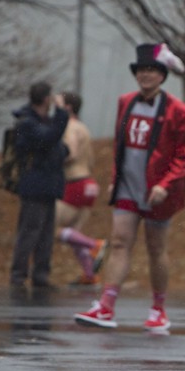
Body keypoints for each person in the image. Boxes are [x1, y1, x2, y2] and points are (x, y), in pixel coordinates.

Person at [74, 43, 185, 332]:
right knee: (119, 242)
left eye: (151, 70)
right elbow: (121, 144)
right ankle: (106, 306)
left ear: (162, 75)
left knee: (156, 248)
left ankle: (158, 309)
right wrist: (115, 178)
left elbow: (184, 154)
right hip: (128, 186)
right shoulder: (125, 102)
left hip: (158, 192)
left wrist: (165, 185)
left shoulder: (178, 110)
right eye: (141, 70)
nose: (145, 75)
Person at [9, 81, 69, 290]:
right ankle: (18, 275)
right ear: (46, 99)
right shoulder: (27, 123)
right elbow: (48, 138)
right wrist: (61, 112)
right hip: (35, 185)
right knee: (30, 231)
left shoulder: (44, 122)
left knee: (45, 234)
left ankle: (41, 274)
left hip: (48, 185)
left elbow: (57, 145)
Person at [53, 92, 109, 286]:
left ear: (67, 107)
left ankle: (94, 245)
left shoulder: (69, 126)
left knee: (50, 228)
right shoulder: (83, 127)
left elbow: (71, 153)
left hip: (74, 181)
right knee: (74, 233)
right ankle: (89, 274)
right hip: (88, 183)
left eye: (58, 103)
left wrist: (53, 158)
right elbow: (90, 159)